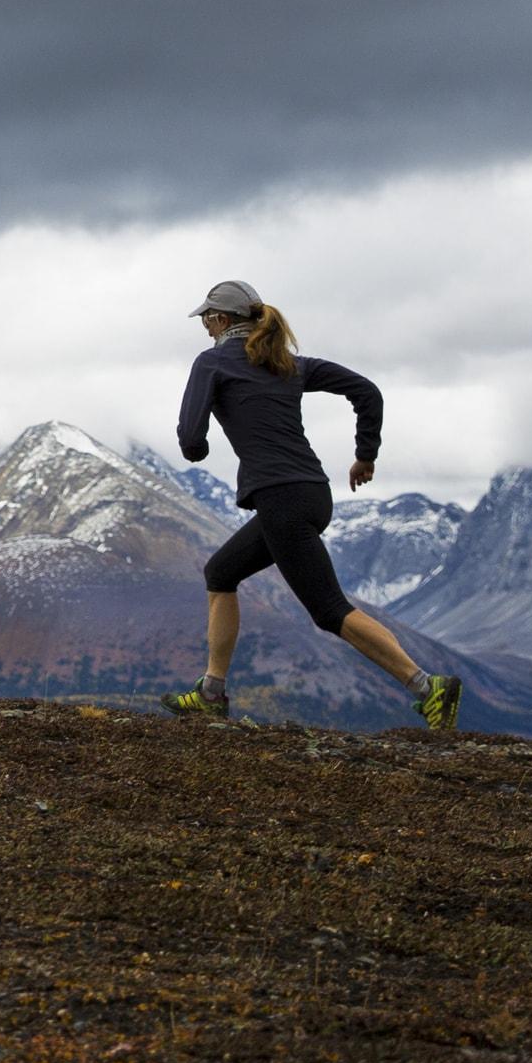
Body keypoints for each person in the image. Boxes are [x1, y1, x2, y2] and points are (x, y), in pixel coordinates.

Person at [163, 280, 460, 730]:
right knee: (221, 573)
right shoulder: (289, 364)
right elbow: (367, 391)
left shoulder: (212, 363)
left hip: (281, 498)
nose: (204, 328)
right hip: (311, 493)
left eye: (207, 319)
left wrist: (197, 449)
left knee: (328, 610)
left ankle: (426, 686)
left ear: (221, 320)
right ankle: (211, 692)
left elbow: (189, 440)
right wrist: (365, 455)